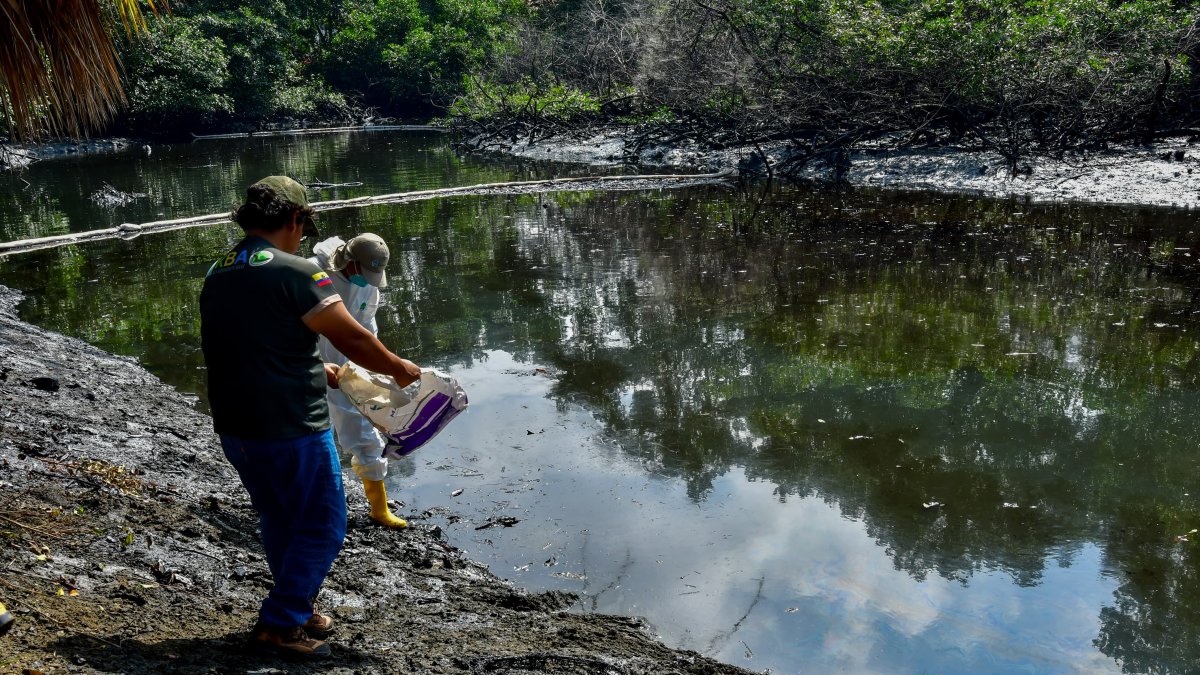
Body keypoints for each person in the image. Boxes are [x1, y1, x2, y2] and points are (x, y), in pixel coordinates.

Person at [199, 176, 421, 659]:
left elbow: (247, 343)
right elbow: (356, 340)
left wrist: (318, 367)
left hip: (237, 425)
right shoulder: (299, 272)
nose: (302, 235)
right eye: (303, 225)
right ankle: (279, 624)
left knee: (279, 517)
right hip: (291, 421)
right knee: (323, 522)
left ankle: (296, 609)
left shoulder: (219, 271)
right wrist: (403, 371)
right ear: (295, 219)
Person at [308, 233, 407, 528]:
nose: (369, 281)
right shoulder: (311, 273)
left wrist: (383, 369)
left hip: (347, 372)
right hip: (310, 368)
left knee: (364, 431)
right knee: (308, 436)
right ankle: (308, 503)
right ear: (349, 263)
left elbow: (367, 332)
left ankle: (379, 509)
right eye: (366, 273)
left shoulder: (368, 289)